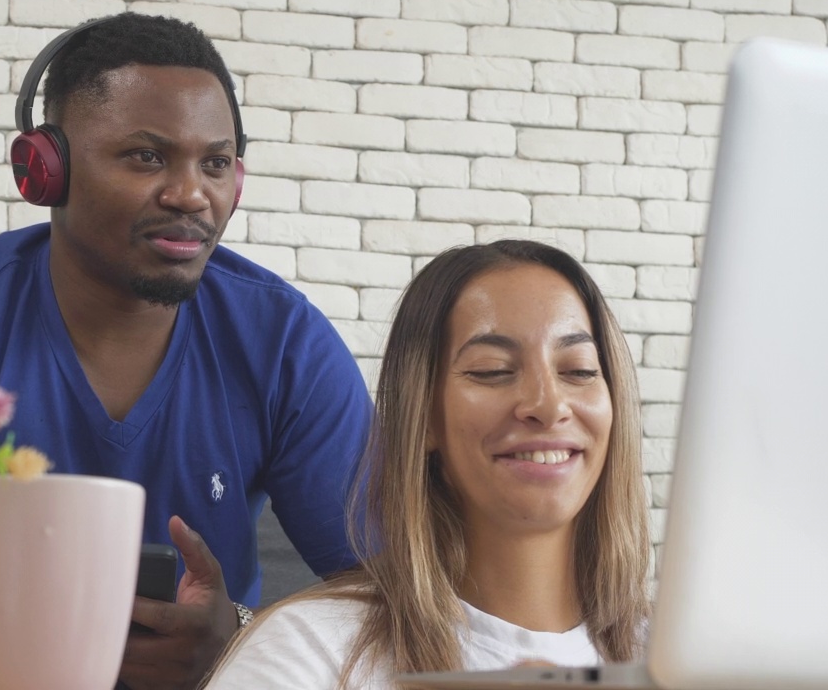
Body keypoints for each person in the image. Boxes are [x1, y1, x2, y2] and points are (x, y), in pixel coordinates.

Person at [0, 12, 371, 690]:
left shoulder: (284, 341)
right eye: (147, 156)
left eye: (215, 163)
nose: (192, 193)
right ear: (44, 170)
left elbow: (390, 597)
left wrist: (240, 636)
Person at [203, 240, 651, 689]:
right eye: (492, 370)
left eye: (579, 370)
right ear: (424, 418)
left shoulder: (672, 662)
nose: (548, 405)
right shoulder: (306, 652)